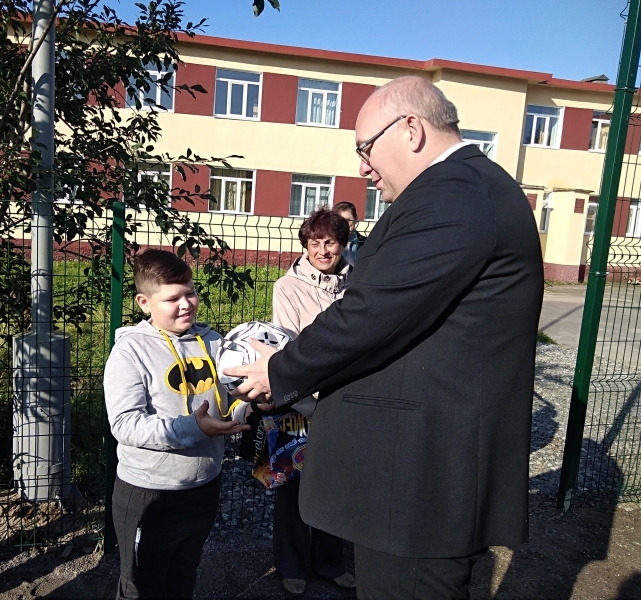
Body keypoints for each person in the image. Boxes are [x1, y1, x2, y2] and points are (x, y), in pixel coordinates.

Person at [225, 76, 544, 600]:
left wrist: (279, 369)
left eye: (365, 148)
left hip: (419, 480)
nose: (363, 167)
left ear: (411, 129)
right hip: (413, 474)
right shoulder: (462, 189)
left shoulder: (455, 194)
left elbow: (373, 312)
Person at [103, 249, 249, 599]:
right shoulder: (130, 352)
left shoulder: (214, 342)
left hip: (204, 483)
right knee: (141, 586)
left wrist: (246, 408)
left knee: (184, 574)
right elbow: (125, 424)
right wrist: (193, 428)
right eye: (172, 299)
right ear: (144, 302)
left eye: (190, 293)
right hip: (149, 492)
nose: (186, 304)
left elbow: (231, 397)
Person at [270, 207, 355, 597]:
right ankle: (290, 565)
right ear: (305, 245)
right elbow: (291, 346)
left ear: (343, 244)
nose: (323, 251)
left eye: (331, 242)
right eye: (315, 242)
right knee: (291, 489)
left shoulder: (358, 285)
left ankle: (330, 563)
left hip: (343, 404)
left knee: (336, 489)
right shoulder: (287, 287)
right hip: (298, 404)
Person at [332, 201, 362, 266]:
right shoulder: (328, 243)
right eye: (340, 221)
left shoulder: (366, 243)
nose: (344, 224)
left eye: (347, 220)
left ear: (355, 220)